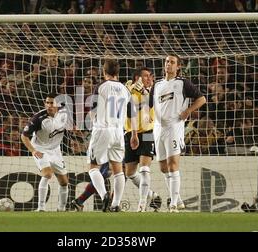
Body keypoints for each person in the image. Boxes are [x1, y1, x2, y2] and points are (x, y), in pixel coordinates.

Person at [150, 54, 206, 212]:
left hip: (174, 127)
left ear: (178, 66)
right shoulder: (157, 84)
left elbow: (202, 99)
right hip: (158, 128)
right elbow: (151, 106)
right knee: (162, 167)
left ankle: (173, 204)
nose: (169, 64)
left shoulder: (183, 83)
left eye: (172, 62)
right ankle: (179, 199)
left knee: (173, 164)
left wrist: (188, 111)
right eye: (167, 61)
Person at [87, 58, 136, 212]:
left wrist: (93, 119)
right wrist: (134, 134)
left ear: (104, 71)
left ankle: (104, 195)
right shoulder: (125, 89)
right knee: (118, 169)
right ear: (117, 72)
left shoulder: (101, 87)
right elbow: (132, 114)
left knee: (93, 167)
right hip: (118, 132)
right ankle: (115, 205)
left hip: (102, 129)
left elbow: (92, 111)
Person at [21, 92, 70, 212]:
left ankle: (61, 209)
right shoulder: (38, 118)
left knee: (64, 182)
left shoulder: (65, 115)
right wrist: (33, 150)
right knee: (47, 174)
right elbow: (24, 136)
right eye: (47, 102)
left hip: (55, 150)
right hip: (40, 149)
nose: (49, 105)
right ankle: (41, 208)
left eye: (51, 103)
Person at [124, 67, 162, 212]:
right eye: (145, 76)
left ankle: (141, 205)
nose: (148, 78)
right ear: (137, 78)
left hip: (148, 132)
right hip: (130, 133)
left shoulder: (153, 90)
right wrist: (132, 89)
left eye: (150, 76)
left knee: (145, 168)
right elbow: (128, 110)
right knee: (130, 173)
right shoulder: (128, 90)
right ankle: (152, 195)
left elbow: (151, 103)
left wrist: (146, 93)